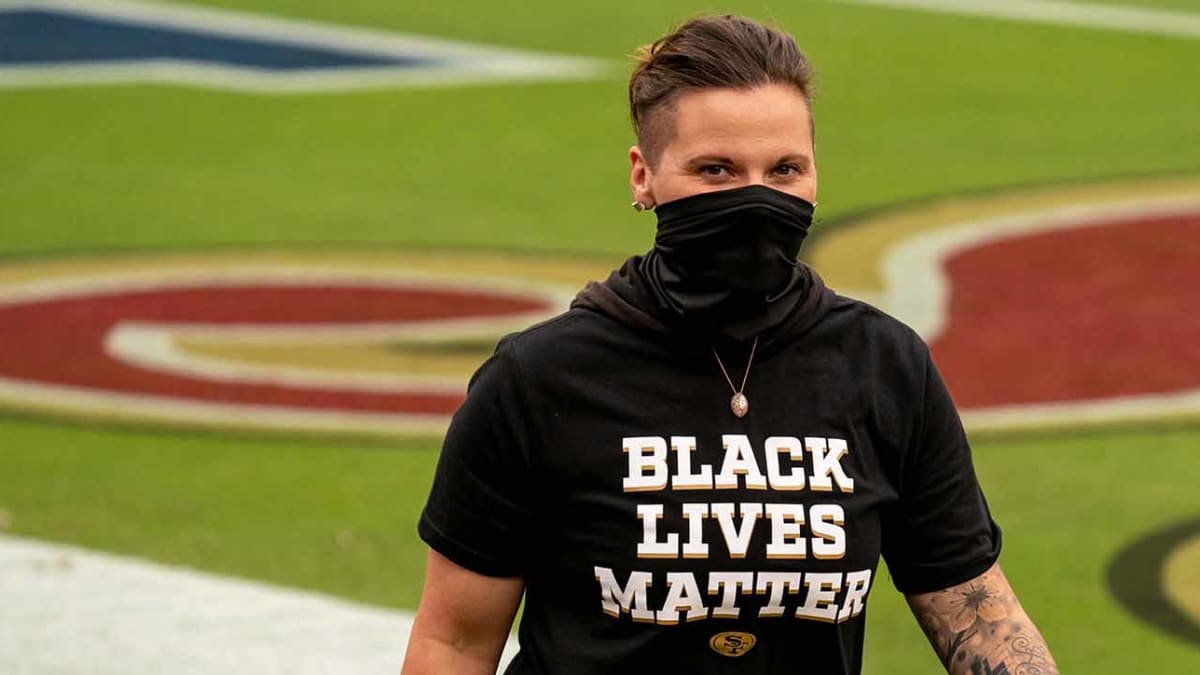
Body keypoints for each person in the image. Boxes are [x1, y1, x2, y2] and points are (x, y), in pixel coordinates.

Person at [402, 14, 1058, 675]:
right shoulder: (539, 379)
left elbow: (981, 621)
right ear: (643, 176)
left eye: (785, 170)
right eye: (716, 170)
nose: (756, 200)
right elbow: (453, 645)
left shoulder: (883, 367)